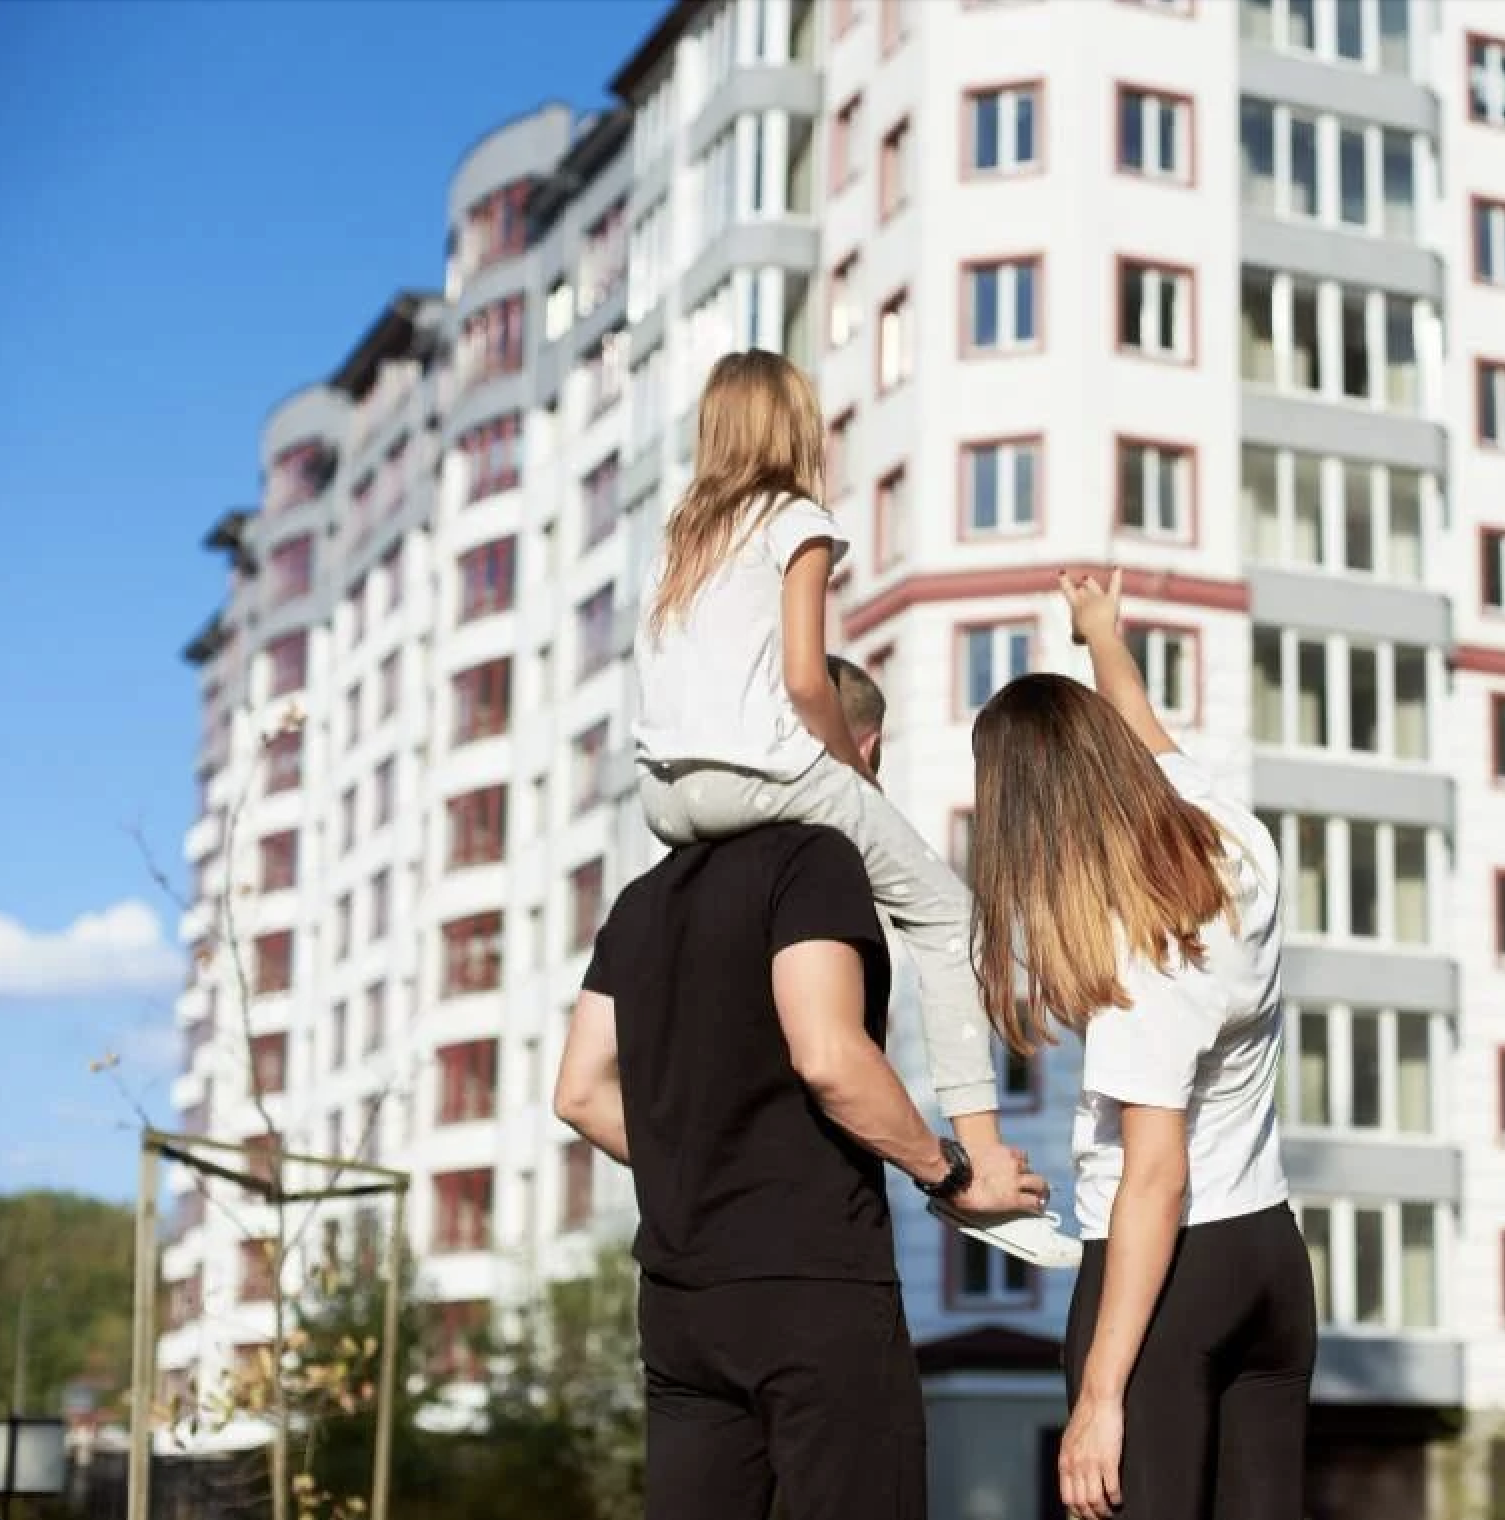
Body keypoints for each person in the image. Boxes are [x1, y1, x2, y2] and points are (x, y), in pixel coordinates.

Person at [631, 349, 1074, 1268]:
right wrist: (854, 779)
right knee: (947, 913)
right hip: (759, 773)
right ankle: (985, 1166)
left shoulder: (678, 543)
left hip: (665, 797)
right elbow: (805, 675)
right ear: (795, 428)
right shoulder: (798, 521)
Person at [551, 718, 1052, 1520]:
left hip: (681, 1302)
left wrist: (702, 1173)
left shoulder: (643, 900)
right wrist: (952, 1172)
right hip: (811, 1286)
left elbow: (578, 1091)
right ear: (858, 743)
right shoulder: (814, 857)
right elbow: (828, 1057)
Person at [966, 569, 1317, 1520]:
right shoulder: (1226, 836)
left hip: (1172, 1281)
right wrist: (1099, 631)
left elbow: (1154, 1178)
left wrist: (1100, 1397)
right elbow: (1144, 725)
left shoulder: (1143, 954)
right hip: (1271, 1262)